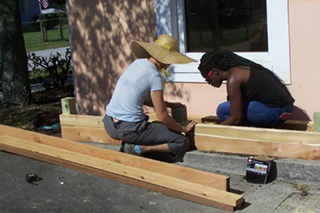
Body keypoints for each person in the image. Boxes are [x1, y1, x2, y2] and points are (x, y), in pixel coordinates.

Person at [103, 35, 197, 161]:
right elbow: (163, 117)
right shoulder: (154, 76)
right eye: (171, 60)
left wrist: (169, 104)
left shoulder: (137, 64)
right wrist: (183, 128)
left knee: (159, 127)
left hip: (109, 124)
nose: (170, 64)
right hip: (129, 130)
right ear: (165, 58)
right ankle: (140, 148)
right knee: (181, 141)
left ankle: (131, 143)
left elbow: (145, 99)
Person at [198, 50, 295, 127]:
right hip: (284, 110)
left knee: (222, 110)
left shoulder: (234, 78)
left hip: (275, 112)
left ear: (215, 72)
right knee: (230, 107)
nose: (208, 82)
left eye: (207, 78)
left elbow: (236, 118)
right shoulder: (239, 70)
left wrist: (215, 129)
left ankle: (249, 130)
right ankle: (255, 126)